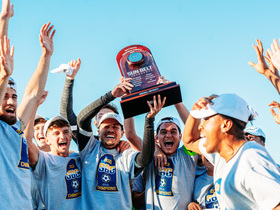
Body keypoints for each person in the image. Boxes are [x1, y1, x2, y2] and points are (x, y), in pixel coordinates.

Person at [183, 93, 280, 209]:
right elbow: (189, 142)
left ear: (225, 125)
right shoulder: (221, 154)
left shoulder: (251, 159)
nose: (200, 126)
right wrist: (194, 113)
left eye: (206, 119)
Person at [78, 94, 164, 209]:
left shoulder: (126, 155)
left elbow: (145, 158)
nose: (110, 130)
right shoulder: (90, 148)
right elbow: (82, 119)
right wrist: (111, 95)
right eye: (106, 126)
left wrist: (149, 120)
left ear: (122, 133)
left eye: (115, 127)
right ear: (98, 131)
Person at [59, 59, 141, 151]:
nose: (110, 127)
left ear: (121, 131)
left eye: (114, 125)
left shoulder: (126, 148)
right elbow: (67, 115)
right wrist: (69, 79)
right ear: (96, 124)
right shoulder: (87, 142)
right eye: (101, 116)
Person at [132, 116, 197, 209]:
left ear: (180, 136)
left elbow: (193, 131)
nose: (168, 135)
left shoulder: (187, 156)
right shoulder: (149, 160)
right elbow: (136, 202)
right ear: (156, 137)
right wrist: (149, 189)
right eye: (163, 132)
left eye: (173, 132)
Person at [26, 112, 82, 210]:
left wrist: (118, 143)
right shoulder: (43, 161)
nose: (62, 136)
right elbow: (26, 142)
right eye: (56, 133)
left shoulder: (80, 157)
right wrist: (34, 102)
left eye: (65, 132)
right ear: (47, 140)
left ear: (70, 136)